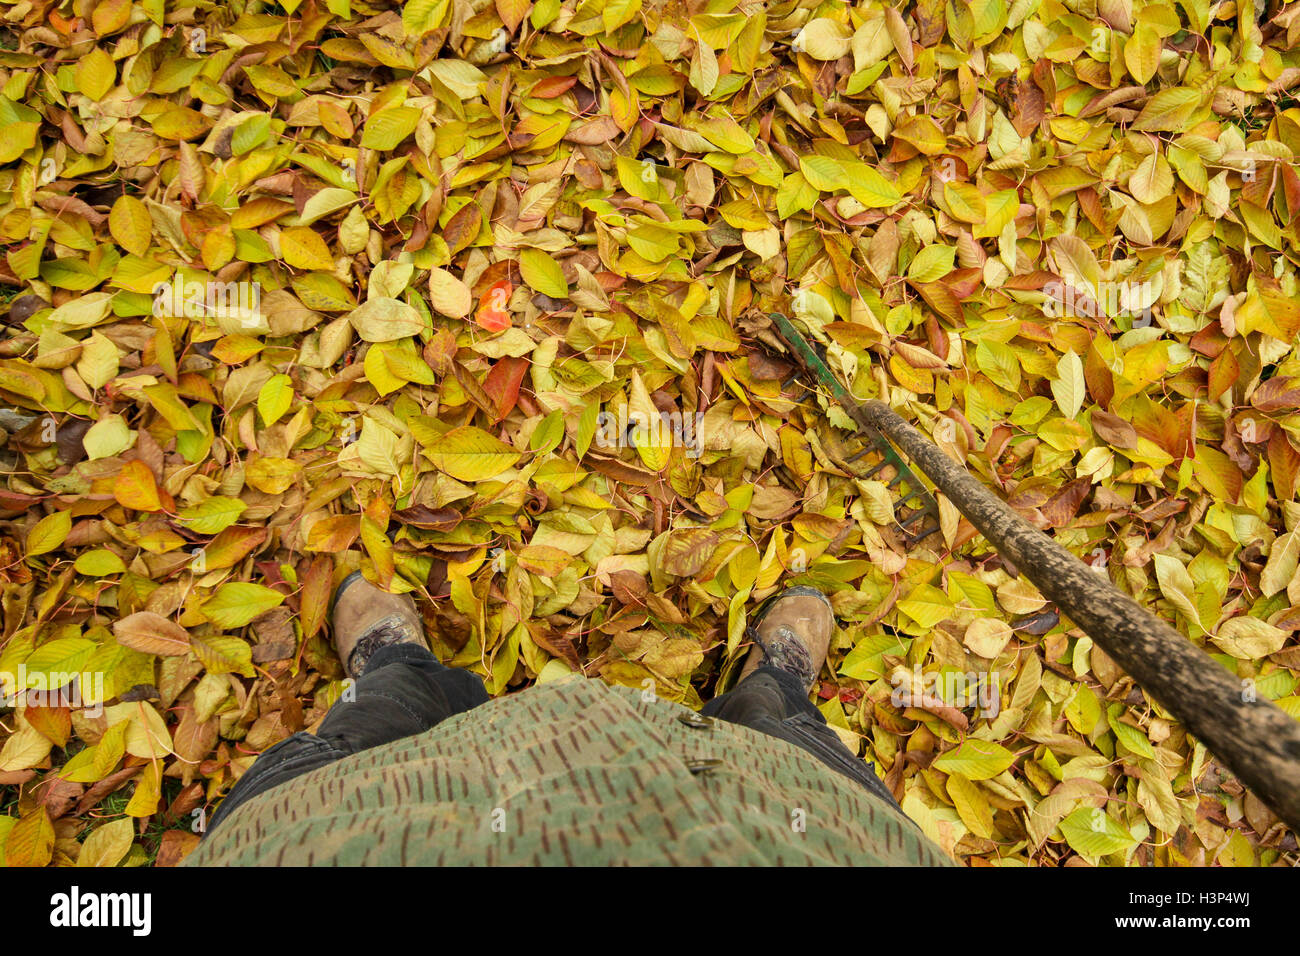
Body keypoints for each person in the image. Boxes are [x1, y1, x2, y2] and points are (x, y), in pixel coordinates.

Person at [184, 574, 951, 866]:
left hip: (338, 830)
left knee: (367, 728)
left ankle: (396, 668)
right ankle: (774, 685)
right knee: (778, 732)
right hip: (812, 835)